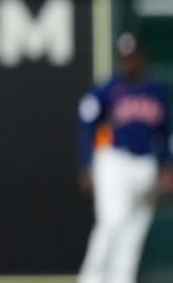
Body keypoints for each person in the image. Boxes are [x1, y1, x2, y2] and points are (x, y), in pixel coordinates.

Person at [77, 32, 173, 283]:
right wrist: (87, 162)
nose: (129, 62)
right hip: (114, 161)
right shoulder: (109, 88)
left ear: (141, 57)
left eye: (133, 57)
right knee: (112, 222)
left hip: (145, 165)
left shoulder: (156, 92)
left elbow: (167, 134)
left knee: (134, 233)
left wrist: (167, 170)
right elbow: (87, 122)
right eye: (124, 57)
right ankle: (91, 279)